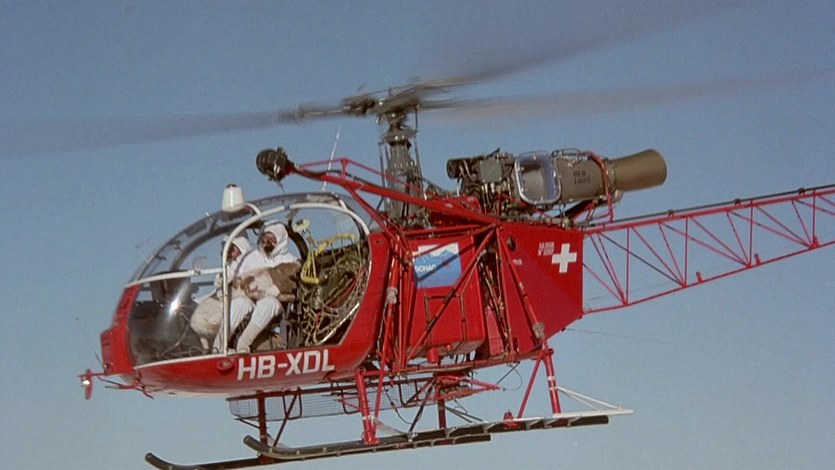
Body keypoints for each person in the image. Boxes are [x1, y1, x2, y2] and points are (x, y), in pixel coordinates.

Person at [232, 222, 300, 353]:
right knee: (239, 303)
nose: (267, 241)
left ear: (280, 241)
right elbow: (237, 279)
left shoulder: (289, 260)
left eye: (272, 238)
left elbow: (292, 286)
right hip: (249, 299)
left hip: (276, 306)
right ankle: (221, 346)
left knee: (269, 303)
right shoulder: (250, 257)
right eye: (265, 237)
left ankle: (243, 344)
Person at [190, 235, 254, 352]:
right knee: (192, 313)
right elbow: (217, 290)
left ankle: (219, 348)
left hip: (238, 304)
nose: (228, 252)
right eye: (226, 248)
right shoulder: (227, 268)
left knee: (211, 318)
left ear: (242, 248)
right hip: (221, 302)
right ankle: (205, 348)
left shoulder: (249, 266)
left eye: (231, 248)